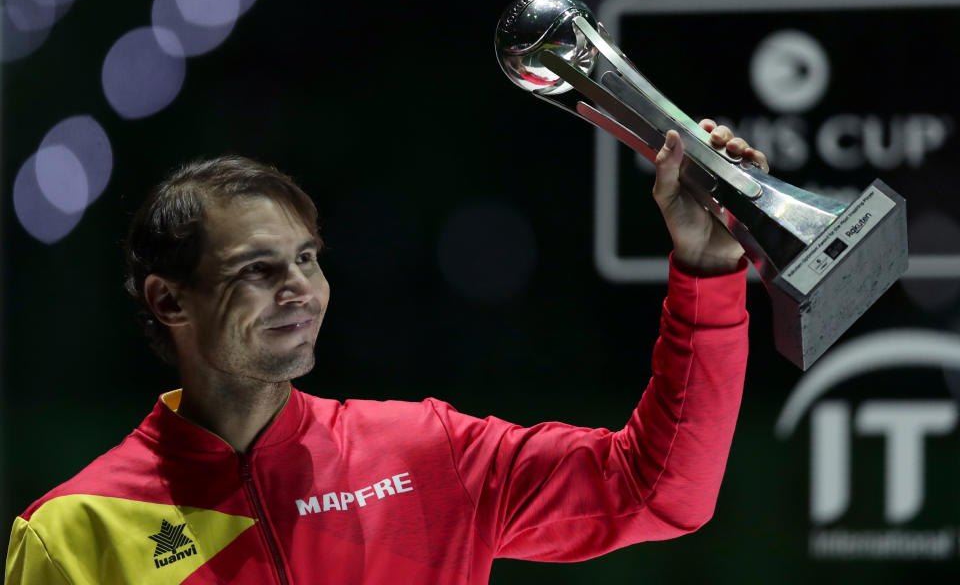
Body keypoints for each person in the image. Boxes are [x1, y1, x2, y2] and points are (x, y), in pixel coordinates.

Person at [5, 121, 766, 584]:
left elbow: (660, 492)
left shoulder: (426, 454)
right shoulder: (75, 531)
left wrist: (707, 271)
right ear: (170, 301)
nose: (300, 289)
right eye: (257, 271)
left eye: (307, 259)